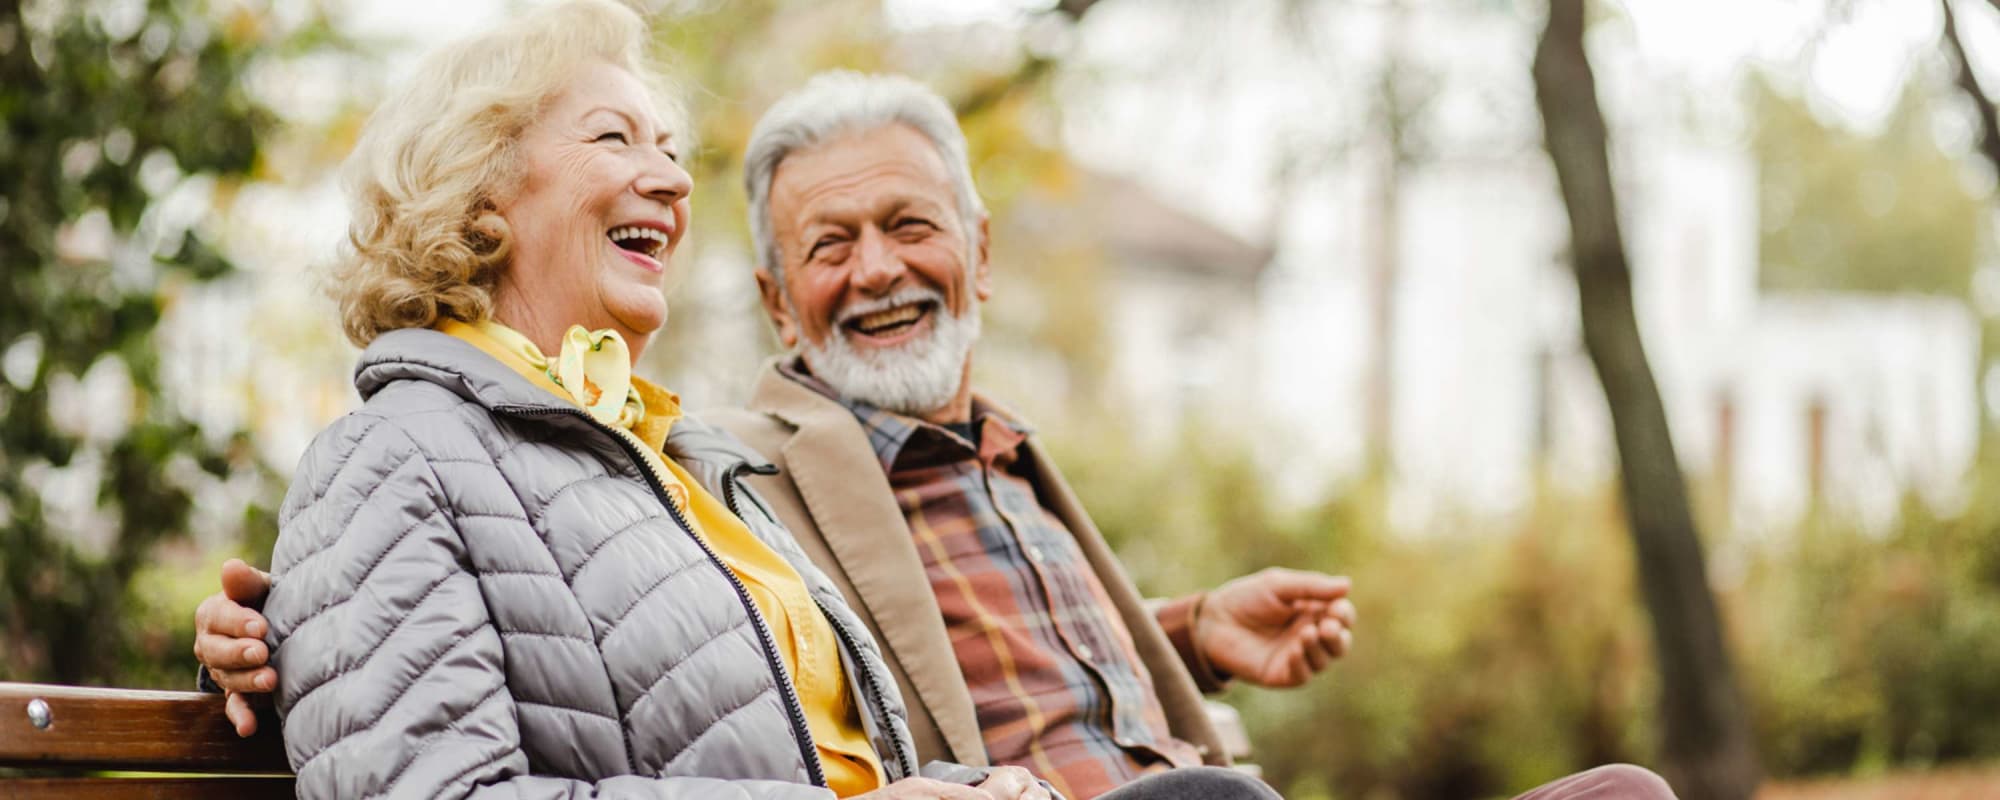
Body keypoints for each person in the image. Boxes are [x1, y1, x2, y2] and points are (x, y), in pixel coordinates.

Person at [200, 63, 1663, 799]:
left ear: (981, 248)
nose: (881, 269)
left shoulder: (676, 463)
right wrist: (281, 621)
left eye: (913, 226)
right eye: (614, 140)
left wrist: (1187, 636)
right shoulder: (728, 449)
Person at [238, 4, 1057, 797]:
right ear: (479, 191)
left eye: (668, 149)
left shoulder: (674, 457)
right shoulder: (386, 458)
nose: (673, 180)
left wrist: (972, 790)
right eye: (614, 138)